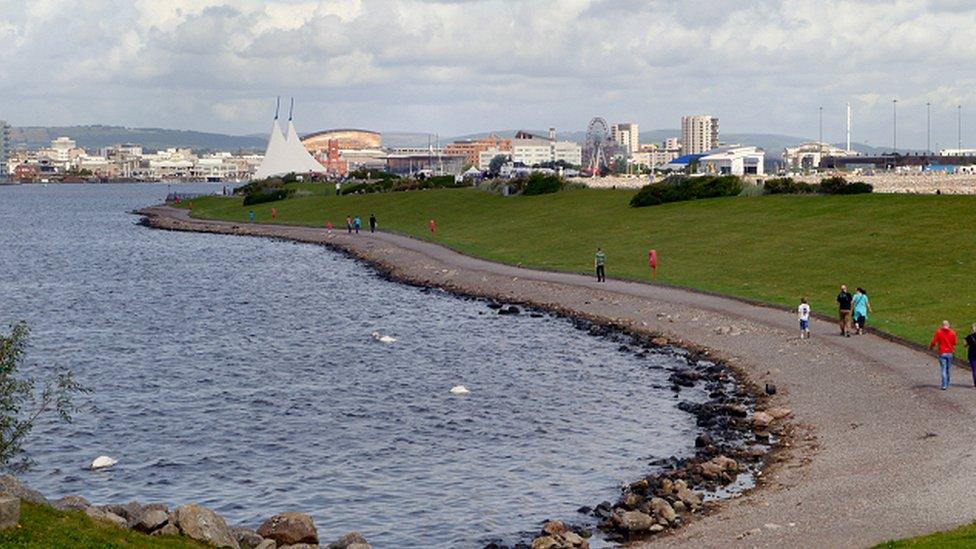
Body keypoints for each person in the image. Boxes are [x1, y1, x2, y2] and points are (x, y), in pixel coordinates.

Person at [929, 320, 957, 390]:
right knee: (948, 368)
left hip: (942, 352)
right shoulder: (953, 333)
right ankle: (947, 382)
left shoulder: (939, 332)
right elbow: (955, 343)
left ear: (942, 325)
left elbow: (933, 342)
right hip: (950, 352)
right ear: (948, 325)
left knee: (943, 369)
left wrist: (931, 348)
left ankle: (944, 385)